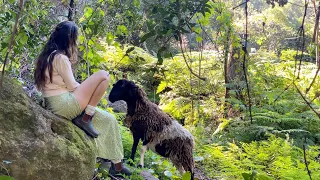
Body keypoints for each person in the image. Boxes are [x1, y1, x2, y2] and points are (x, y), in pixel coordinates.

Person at [34, 20, 131, 176]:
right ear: (69, 39)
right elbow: (73, 86)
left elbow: (65, 86)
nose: (76, 42)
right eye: (75, 38)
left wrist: (88, 89)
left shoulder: (48, 56)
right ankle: (86, 117)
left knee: (109, 119)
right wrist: (92, 89)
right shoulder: (60, 58)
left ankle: (116, 165)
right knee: (104, 76)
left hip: (58, 103)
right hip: (64, 104)